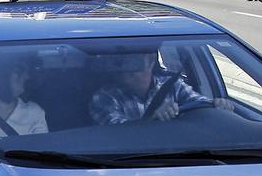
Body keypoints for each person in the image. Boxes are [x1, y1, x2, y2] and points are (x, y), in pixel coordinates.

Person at [90, 53, 221, 125]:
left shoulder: (174, 86)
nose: (125, 75)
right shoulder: (105, 98)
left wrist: (216, 105)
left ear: (151, 62)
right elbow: (116, 133)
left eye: (134, 65)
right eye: (121, 66)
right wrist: (152, 119)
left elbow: (199, 103)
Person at [0, 54, 48, 136]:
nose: (26, 76)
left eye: (26, 71)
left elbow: (42, 147)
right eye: (18, 70)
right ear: (2, 74)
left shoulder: (34, 113)